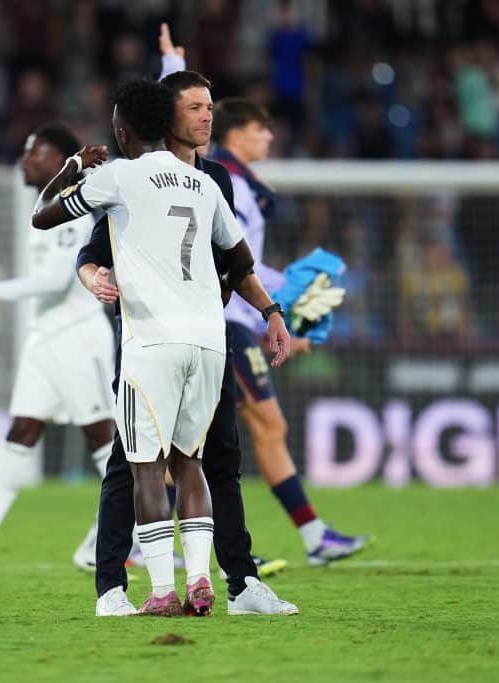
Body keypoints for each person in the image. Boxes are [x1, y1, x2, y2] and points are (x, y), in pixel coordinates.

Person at [33, 78, 290, 617]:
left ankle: (171, 589)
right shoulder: (206, 185)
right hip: (207, 338)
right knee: (188, 461)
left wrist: (73, 168)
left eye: (209, 107)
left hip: (150, 339)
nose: (205, 117)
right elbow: (239, 260)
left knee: (149, 464)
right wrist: (266, 308)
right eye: (194, 107)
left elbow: (44, 215)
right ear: (166, 119)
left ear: (124, 130)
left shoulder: (119, 176)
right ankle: (195, 581)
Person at [162, 41, 371, 564]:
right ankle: (160, 542)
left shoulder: (243, 186)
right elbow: (235, 259)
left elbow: (242, 260)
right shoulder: (217, 177)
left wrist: (278, 318)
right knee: (209, 440)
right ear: (237, 133)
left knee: (234, 434)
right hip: (219, 325)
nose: (271, 136)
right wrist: (172, 70)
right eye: (261, 129)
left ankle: (307, 535)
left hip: (237, 325)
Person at [0, 124, 116, 571]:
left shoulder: (72, 209)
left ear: (59, 162)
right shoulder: (40, 208)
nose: (24, 159)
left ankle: (131, 532)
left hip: (76, 334)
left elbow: (59, 279)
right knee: (22, 432)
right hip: (45, 338)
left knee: (102, 436)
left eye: (35, 152)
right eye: (25, 150)